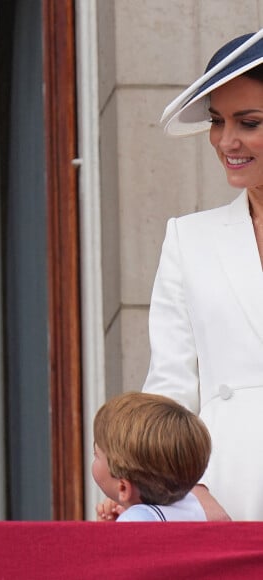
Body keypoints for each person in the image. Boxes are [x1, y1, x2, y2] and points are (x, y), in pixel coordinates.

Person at [143, 29, 263, 521]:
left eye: (249, 122)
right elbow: (168, 395)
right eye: (217, 121)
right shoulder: (188, 240)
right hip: (223, 494)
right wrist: (190, 495)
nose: (225, 141)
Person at [92, 391, 210, 522]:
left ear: (123, 488)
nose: (94, 457)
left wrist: (105, 535)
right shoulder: (192, 505)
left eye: (96, 454)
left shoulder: (132, 524)